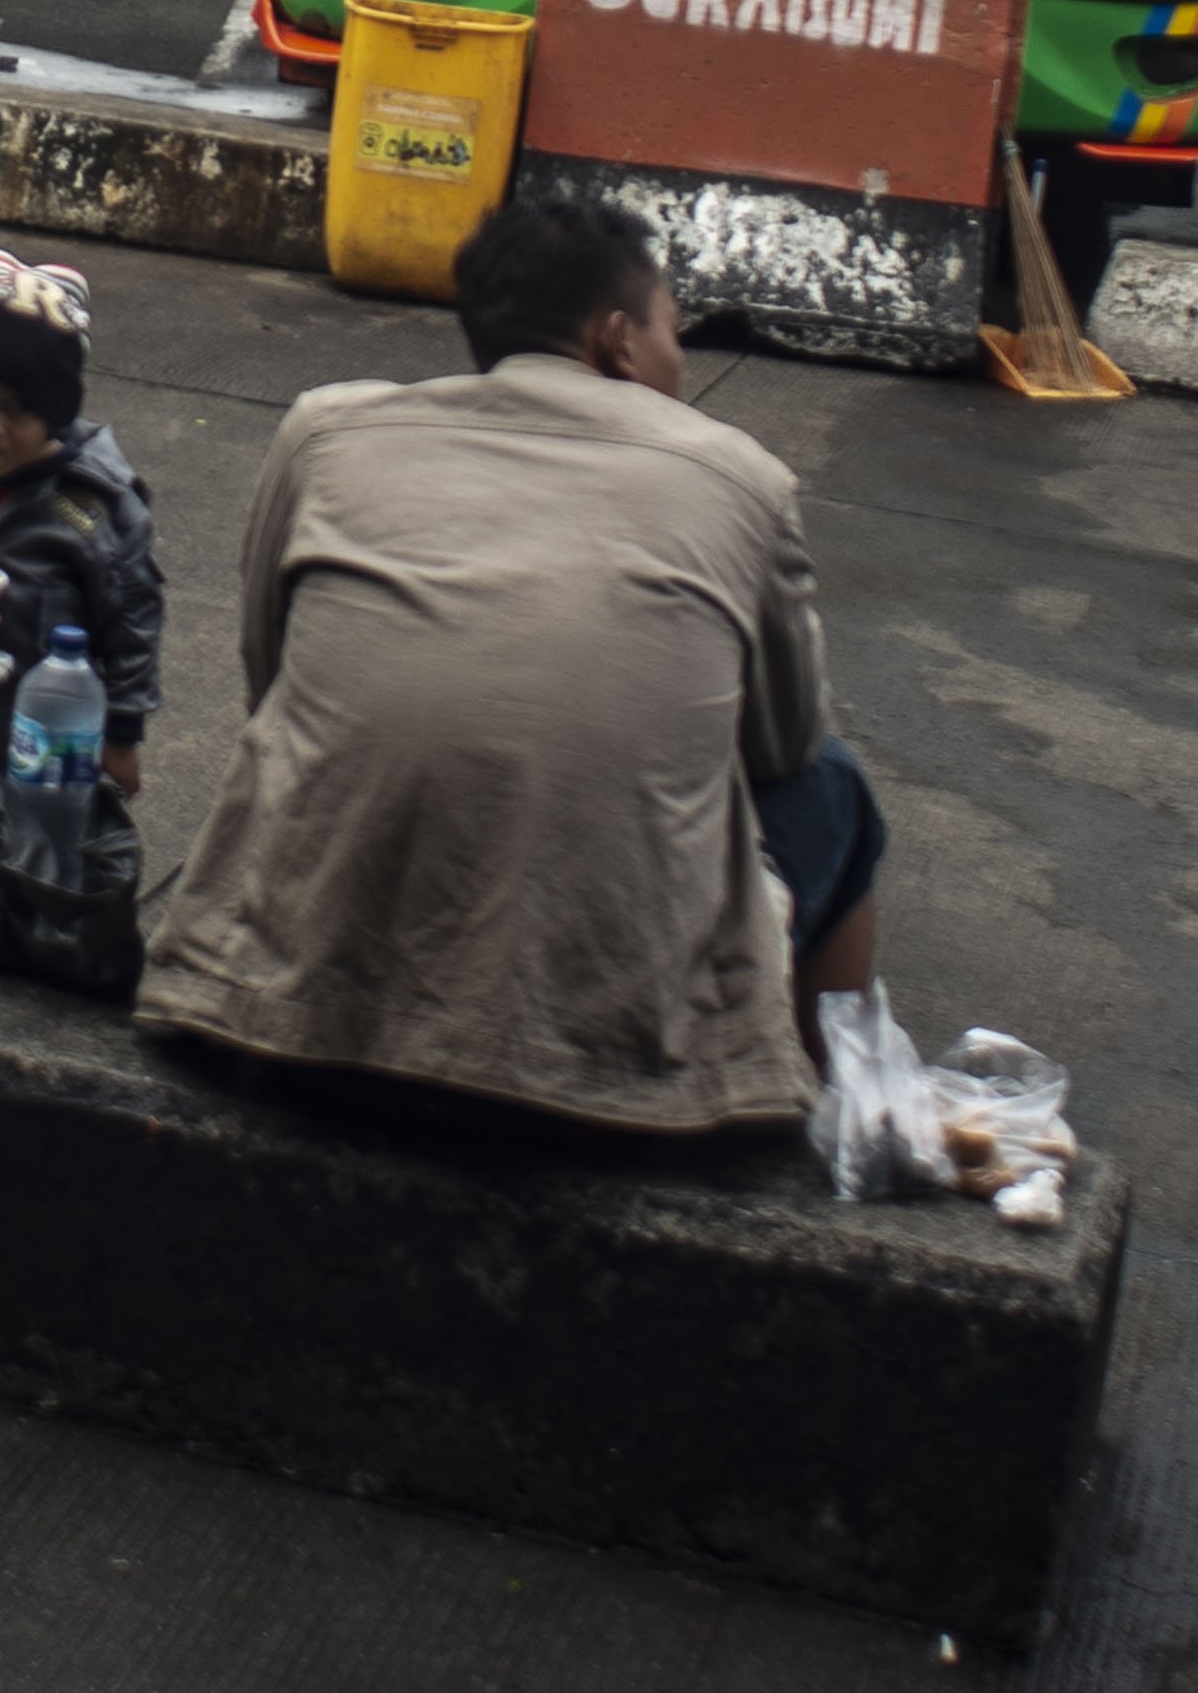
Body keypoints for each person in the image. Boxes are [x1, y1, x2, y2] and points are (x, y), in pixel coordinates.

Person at [133, 195, 887, 1132]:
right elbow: (782, 747)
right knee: (837, 790)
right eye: (672, 332)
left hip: (281, 1017)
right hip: (600, 1076)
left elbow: (270, 682)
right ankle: (831, 1136)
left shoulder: (324, 432)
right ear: (617, 341)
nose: (679, 361)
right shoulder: (741, 478)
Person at [0, 249, 163, 908]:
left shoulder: (91, 508)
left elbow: (132, 617)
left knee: (40, 865)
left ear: (54, 409)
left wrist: (124, 733)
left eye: (18, 407)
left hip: (46, 736)